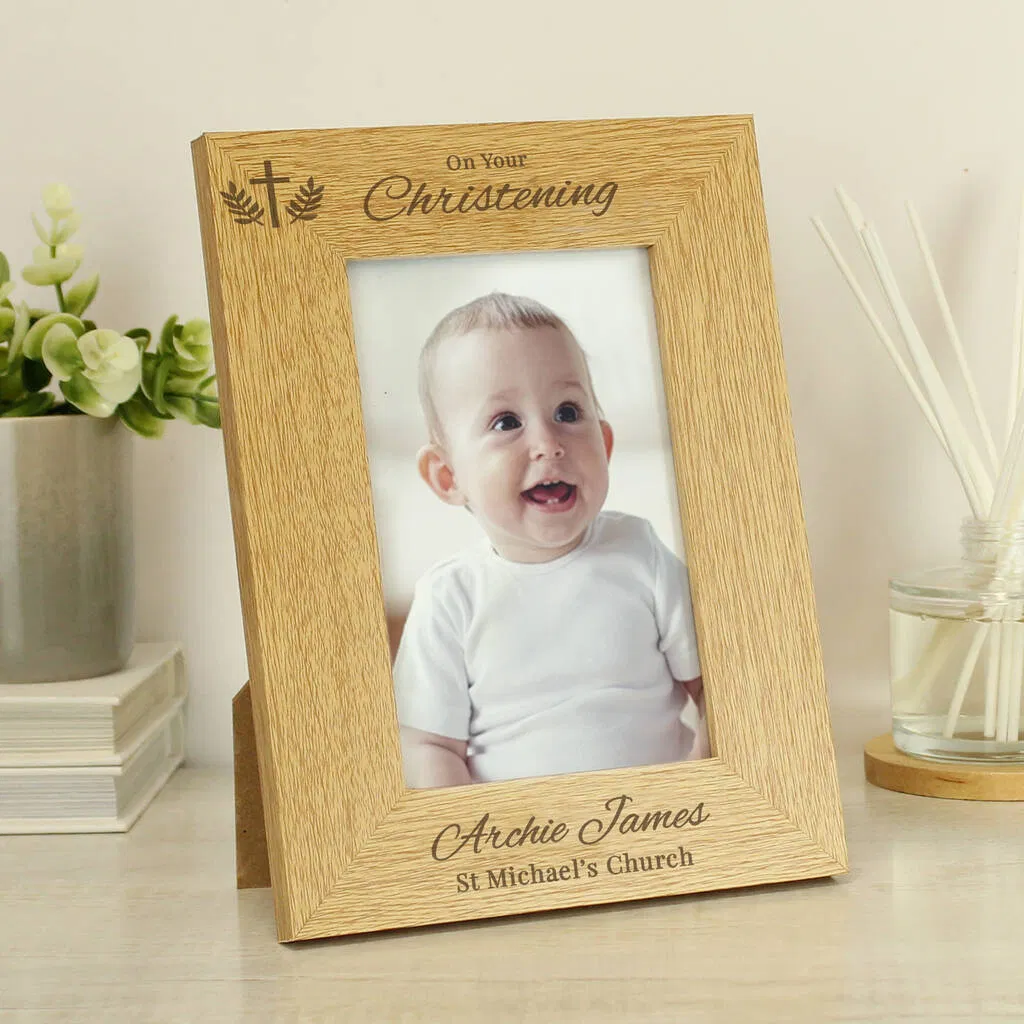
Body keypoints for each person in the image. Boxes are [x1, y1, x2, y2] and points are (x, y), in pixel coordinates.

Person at [393, 292, 708, 788]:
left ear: (604, 444)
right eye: (506, 423)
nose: (548, 443)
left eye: (567, 411)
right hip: (523, 845)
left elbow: (717, 687)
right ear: (449, 476)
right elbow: (428, 745)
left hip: (658, 826)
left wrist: (703, 781)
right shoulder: (450, 597)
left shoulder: (638, 552)